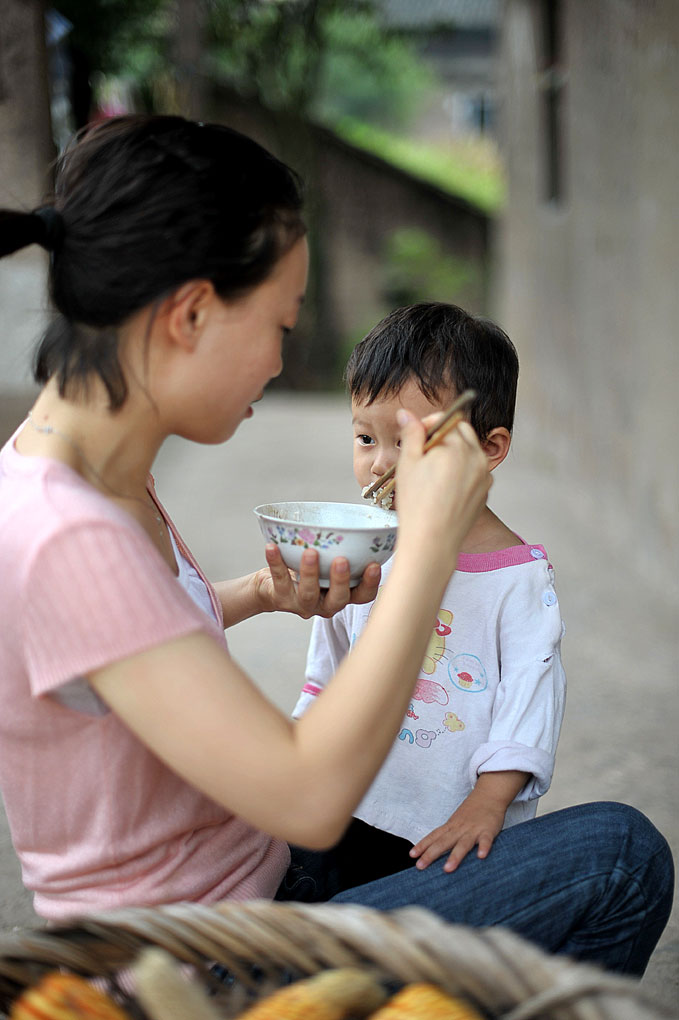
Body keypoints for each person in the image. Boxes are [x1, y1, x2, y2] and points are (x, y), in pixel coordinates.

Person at [0, 116, 672, 978]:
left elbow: (124, 646)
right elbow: (312, 800)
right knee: (621, 856)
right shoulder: (67, 537)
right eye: (281, 326)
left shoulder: (93, 480)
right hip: (195, 969)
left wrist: (258, 593)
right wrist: (426, 542)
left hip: (246, 886)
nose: (281, 363)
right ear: (192, 312)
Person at [291, 303, 566, 892]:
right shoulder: (365, 548)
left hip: (450, 829)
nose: (382, 464)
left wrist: (488, 803)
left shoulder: (515, 578)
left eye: (411, 442)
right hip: (348, 801)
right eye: (366, 437)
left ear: (488, 449)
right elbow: (327, 671)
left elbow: (530, 698)